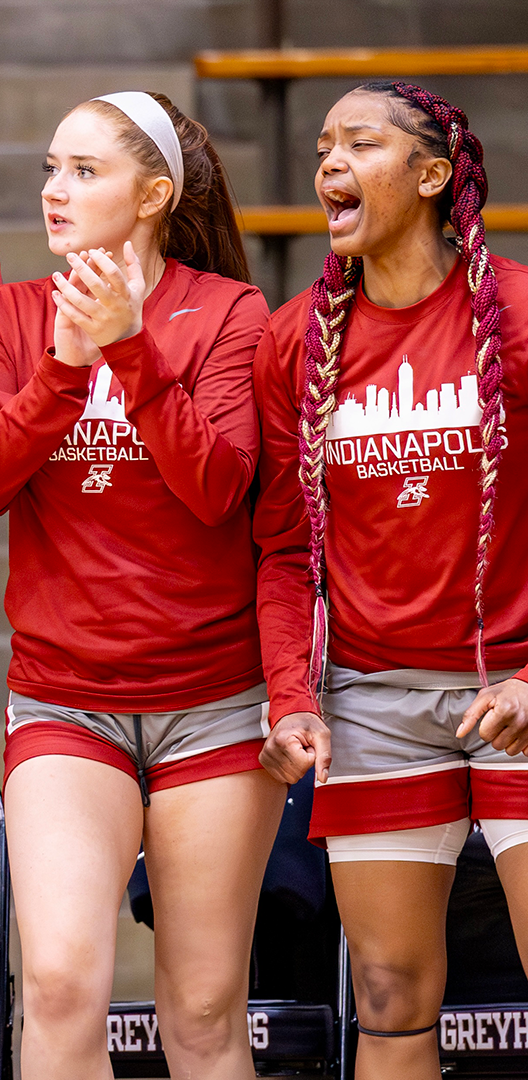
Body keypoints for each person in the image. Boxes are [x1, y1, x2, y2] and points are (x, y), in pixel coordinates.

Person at [0, 91, 279, 1080]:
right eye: (53, 167)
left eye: (86, 171)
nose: (56, 190)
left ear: (155, 194)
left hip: (215, 705)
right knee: (55, 982)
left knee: (207, 1007)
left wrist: (130, 350)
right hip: (68, 702)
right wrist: (62, 369)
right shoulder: (13, 315)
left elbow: (219, 488)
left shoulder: (227, 314)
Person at [253, 81, 528, 1080]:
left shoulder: (518, 313)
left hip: (523, 688)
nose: (329, 162)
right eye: (322, 145)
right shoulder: (295, 343)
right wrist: (292, 697)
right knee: (389, 1001)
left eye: (359, 144)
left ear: (432, 174)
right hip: (371, 701)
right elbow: (284, 552)